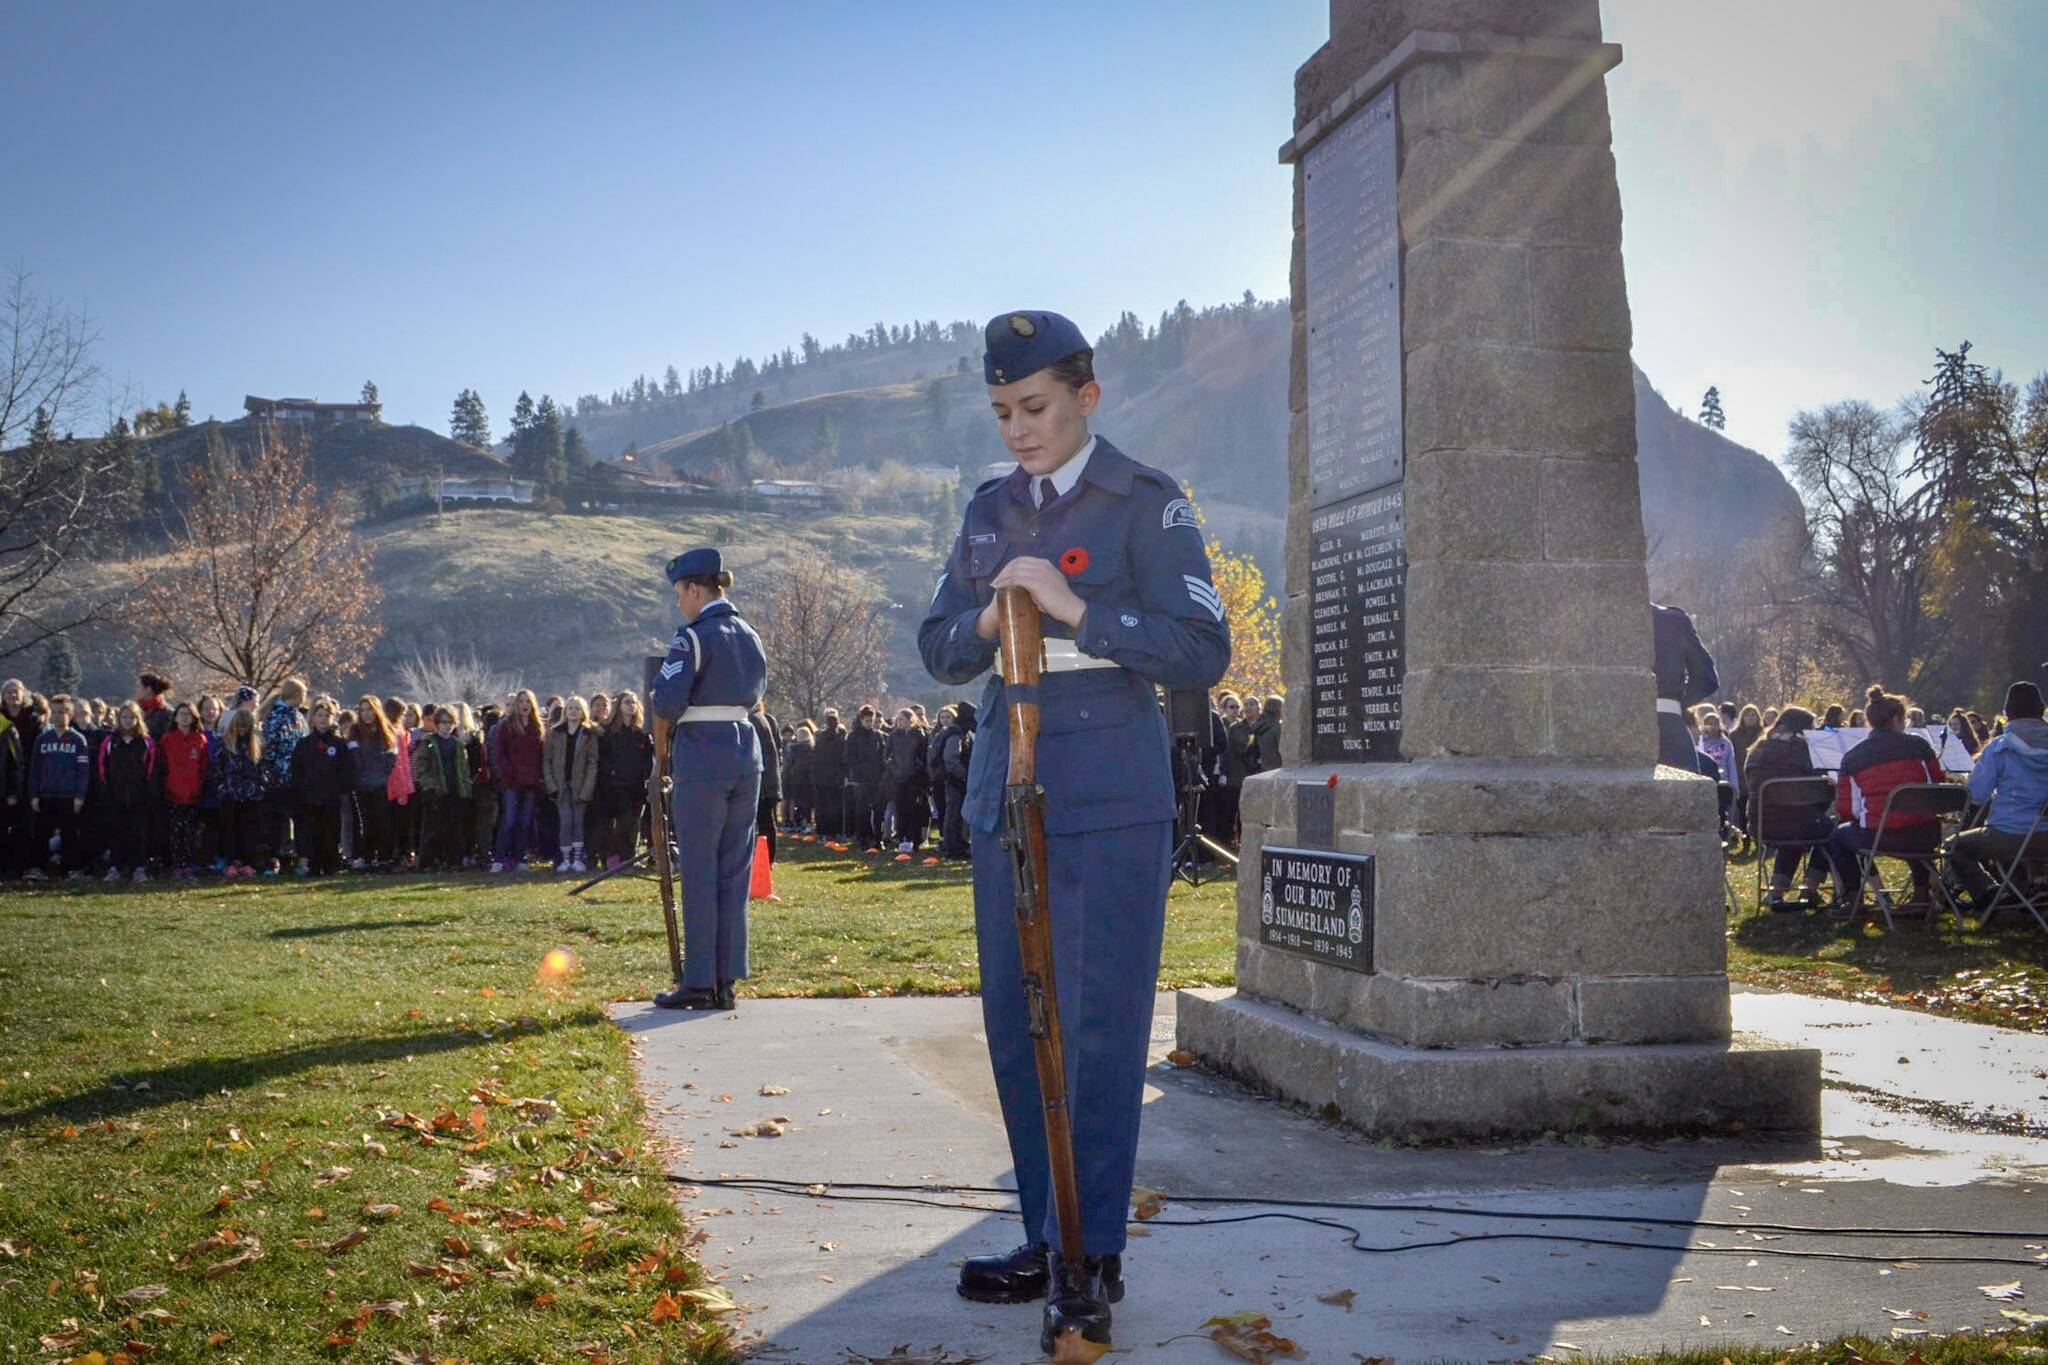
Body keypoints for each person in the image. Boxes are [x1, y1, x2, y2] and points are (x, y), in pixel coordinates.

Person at [918, 310, 1231, 1352]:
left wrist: (1069, 607)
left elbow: (1200, 649)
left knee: (1093, 1032)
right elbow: (933, 645)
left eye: (1036, 407)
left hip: (1103, 797)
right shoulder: (985, 510)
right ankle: (1046, 1233)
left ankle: (1090, 1259)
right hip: (1003, 794)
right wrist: (975, 620)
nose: (1017, 429)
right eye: (1002, 411)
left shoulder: (1146, 500)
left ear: (1085, 399)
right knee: (1018, 1026)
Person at [648, 547, 768, 1012]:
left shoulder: (692, 637)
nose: (679, 603)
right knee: (733, 871)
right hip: (745, 749)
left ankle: (698, 979)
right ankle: (726, 978)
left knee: (698, 868)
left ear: (696, 589)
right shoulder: (750, 634)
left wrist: (661, 756)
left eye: (680, 593)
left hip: (702, 752)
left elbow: (667, 701)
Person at [1826, 684, 1945, 915]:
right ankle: (1922, 895)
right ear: (1898, 718)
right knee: (1915, 821)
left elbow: (1846, 808)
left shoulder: (1853, 757)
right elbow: (1936, 785)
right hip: (1925, 834)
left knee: (1838, 837)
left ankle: (1854, 899)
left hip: (1878, 836)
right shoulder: (1919, 746)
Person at [1945, 681, 2048, 910]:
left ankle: (1989, 894)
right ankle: (2029, 890)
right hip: (2044, 836)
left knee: (1954, 845)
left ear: (2007, 713)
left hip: (2011, 833)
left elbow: (1977, 795)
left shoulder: (2000, 746)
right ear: (2041, 709)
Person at [1742, 706, 1833, 910]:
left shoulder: (1756, 749)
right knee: (1831, 830)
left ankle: (1776, 891)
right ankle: (1810, 886)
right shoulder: (1804, 750)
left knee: (1795, 830)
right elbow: (1819, 792)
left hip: (1761, 822)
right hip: (1798, 821)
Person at [26, 694, 91, 880]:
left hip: (69, 796)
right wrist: (34, 795)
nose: (58, 716)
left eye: (62, 712)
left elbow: (83, 771)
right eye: (54, 712)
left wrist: (80, 795)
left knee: (69, 835)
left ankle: (69, 870)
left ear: (70, 714)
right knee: (41, 834)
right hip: (45, 795)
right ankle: (38, 869)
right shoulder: (42, 740)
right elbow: (34, 770)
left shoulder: (78, 740)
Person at [1651, 603, 1718, 768]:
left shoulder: (1590, 615)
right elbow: (1706, 677)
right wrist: (1675, 701)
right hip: (1667, 724)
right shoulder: (1673, 620)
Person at [293, 699, 354, 876]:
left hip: (331, 797)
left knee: (330, 832)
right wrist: (301, 790)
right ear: (313, 717)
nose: (322, 719)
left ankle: (331, 865)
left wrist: (339, 788)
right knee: (311, 832)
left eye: (326, 716)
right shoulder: (304, 744)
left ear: (332, 718)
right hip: (309, 797)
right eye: (319, 715)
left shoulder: (339, 744)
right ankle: (312, 865)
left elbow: (346, 769)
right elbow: (297, 770)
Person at [96, 702, 156, 882]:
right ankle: (115, 867)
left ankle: (139, 867)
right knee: (116, 831)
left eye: (132, 717)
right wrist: (107, 790)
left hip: (139, 796)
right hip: (115, 795)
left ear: (138, 719)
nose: (128, 721)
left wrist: (147, 792)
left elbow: (151, 769)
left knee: (138, 833)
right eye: (124, 717)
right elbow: (102, 767)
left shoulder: (146, 742)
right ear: (118, 719)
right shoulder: (110, 741)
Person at [594, 691, 653, 869]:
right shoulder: (608, 730)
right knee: (616, 824)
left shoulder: (641, 732)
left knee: (633, 822)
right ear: (619, 705)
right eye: (627, 702)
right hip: (613, 785)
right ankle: (611, 857)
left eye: (634, 703)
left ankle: (629, 857)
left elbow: (647, 758)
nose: (631, 706)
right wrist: (611, 772)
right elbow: (601, 756)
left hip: (636, 785)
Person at [543, 694, 600, 874]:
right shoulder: (555, 732)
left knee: (578, 822)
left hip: (580, 785)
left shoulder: (589, 734)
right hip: (561, 786)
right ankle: (565, 859)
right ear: (565, 711)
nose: (573, 711)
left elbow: (592, 763)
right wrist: (551, 785)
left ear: (583, 712)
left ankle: (577, 859)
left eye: (577, 708)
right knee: (565, 822)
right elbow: (547, 761)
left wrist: (587, 789)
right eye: (570, 708)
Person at [489, 690, 545, 871]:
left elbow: (540, 754)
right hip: (512, 781)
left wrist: (537, 775)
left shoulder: (537, 727)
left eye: (528, 701)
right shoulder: (507, 726)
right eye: (521, 701)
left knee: (526, 821)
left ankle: (520, 859)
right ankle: (499, 859)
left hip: (531, 781)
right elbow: (499, 754)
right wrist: (508, 773)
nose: (524, 705)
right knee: (509, 820)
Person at [413, 704, 473, 872]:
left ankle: (454, 861)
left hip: (454, 790)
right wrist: (428, 786)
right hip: (435, 791)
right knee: (431, 829)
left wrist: (466, 787)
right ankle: (428, 862)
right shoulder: (428, 742)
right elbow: (421, 766)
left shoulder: (457, 744)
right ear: (437, 723)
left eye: (450, 722)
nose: (447, 726)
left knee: (455, 830)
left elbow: (463, 768)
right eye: (444, 722)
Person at [157, 701, 211, 877]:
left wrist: (199, 786)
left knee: (191, 831)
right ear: (175, 717)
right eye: (181, 714)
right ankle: (176, 865)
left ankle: (189, 864)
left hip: (193, 794)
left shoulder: (200, 739)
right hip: (172, 793)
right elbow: (162, 766)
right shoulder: (167, 739)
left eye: (188, 714)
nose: (184, 717)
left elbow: (203, 767)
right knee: (175, 831)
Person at [349, 696, 402, 871]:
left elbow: (392, 757)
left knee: (384, 823)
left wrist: (383, 777)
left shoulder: (386, 731)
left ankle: (385, 858)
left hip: (381, 785)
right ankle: (367, 857)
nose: (366, 714)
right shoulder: (355, 731)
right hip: (362, 786)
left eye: (369, 709)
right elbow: (355, 758)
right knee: (366, 823)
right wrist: (362, 776)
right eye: (362, 710)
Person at [215, 710, 268, 876]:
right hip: (230, 795)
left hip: (251, 796)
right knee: (230, 830)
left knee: (250, 831)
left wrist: (259, 787)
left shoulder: (257, 745)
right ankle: (231, 861)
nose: (242, 731)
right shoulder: (224, 745)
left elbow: (263, 769)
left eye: (246, 728)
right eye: (240, 727)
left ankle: (249, 862)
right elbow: (217, 769)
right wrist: (222, 787)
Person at [846, 704, 887, 850]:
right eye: (867, 721)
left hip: (877, 777)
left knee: (878, 810)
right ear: (861, 720)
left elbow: (882, 756)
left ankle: (877, 837)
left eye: (872, 721)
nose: (870, 724)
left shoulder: (878, 736)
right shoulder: (853, 736)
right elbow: (850, 758)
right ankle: (863, 837)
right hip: (861, 778)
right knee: (862, 809)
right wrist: (859, 772)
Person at [937, 700, 975, 859]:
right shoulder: (955, 734)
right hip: (955, 780)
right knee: (954, 814)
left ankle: (955, 845)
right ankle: (954, 847)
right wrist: (964, 775)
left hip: (955, 778)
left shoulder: (955, 731)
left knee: (955, 814)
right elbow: (950, 759)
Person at [887, 706, 928, 851]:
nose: (899, 722)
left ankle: (915, 839)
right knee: (900, 809)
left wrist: (917, 771)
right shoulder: (893, 736)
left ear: (910, 720)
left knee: (914, 810)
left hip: (914, 780)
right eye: (897, 719)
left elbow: (923, 757)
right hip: (898, 778)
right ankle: (902, 838)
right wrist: (894, 770)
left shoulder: (919, 735)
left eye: (902, 719)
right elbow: (887, 756)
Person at [750, 701, 782, 866]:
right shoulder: (766, 719)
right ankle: (768, 858)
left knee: (764, 822)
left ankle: (766, 859)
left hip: (762, 781)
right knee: (768, 821)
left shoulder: (753, 720)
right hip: (770, 780)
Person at [811, 709, 847, 838]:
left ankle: (823, 831)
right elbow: (844, 759)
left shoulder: (820, 738)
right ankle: (836, 831)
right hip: (835, 777)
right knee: (835, 806)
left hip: (822, 777)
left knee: (823, 806)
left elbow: (816, 758)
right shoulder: (841, 739)